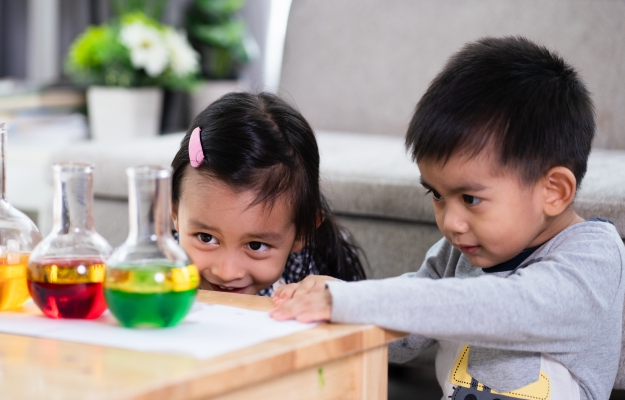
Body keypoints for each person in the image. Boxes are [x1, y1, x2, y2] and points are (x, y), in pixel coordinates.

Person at [270, 36, 625, 399]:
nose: (451, 222)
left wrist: (356, 300)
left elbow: (504, 308)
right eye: (437, 194)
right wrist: (333, 312)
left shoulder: (593, 256)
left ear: (553, 191)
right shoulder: (457, 253)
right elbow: (407, 335)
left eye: (470, 198)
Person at [170, 92, 366, 296]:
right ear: (174, 212)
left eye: (255, 246)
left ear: (303, 232)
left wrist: (341, 303)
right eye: (206, 237)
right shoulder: (156, 276)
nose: (227, 272)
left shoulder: (320, 269)